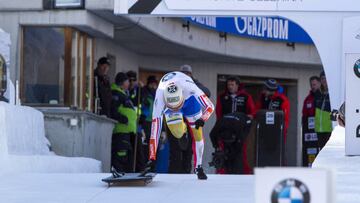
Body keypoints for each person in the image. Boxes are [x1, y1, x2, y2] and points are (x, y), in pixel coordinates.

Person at [147, 71, 214, 180]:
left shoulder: (192, 89)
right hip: (173, 102)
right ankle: (182, 132)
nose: (176, 108)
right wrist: (152, 157)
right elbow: (155, 130)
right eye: (172, 106)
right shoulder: (160, 97)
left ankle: (198, 167)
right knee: (176, 132)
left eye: (177, 106)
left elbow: (210, 106)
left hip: (190, 101)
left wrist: (203, 119)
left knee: (198, 134)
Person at [213, 76, 255, 174]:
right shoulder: (222, 97)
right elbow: (218, 113)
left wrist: (247, 119)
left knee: (241, 150)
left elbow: (252, 112)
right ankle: (222, 171)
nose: (230, 87)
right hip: (226, 129)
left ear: (237, 85)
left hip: (240, 129)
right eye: (228, 85)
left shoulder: (246, 97)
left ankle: (242, 172)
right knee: (223, 149)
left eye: (232, 85)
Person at [110, 72, 145, 173]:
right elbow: (113, 110)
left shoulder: (123, 93)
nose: (129, 83)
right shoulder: (116, 94)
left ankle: (132, 172)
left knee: (130, 155)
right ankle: (121, 172)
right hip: (122, 129)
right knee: (121, 154)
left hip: (129, 130)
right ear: (123, 82)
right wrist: (123, 119)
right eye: (127, 81)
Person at [302, 76, 321, 166]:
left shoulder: (323, 97)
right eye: (311, 85)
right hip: (309, 132)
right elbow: (304, 115)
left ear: (319, 84)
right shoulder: (308, 99)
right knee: (309, 152)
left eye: (314, 84)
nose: (312, 86)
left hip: (321, 131)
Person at [140, 75, 158, 161]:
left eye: (155, 84)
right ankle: (145, 164)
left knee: (153, 144)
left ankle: (152, 164)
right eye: (152, 84)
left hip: (154, 122)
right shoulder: (143, 92)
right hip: (145, 121)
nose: (153, 86)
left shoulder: (156, 94)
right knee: (145, 144)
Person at [314, 71, 333, 150]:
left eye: (326, 78)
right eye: (322, 78)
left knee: (329, 151)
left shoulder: (333, 92)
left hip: (329, 128)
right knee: (321, 150)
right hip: (319, 128)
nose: (324, 80)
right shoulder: (317, 93)